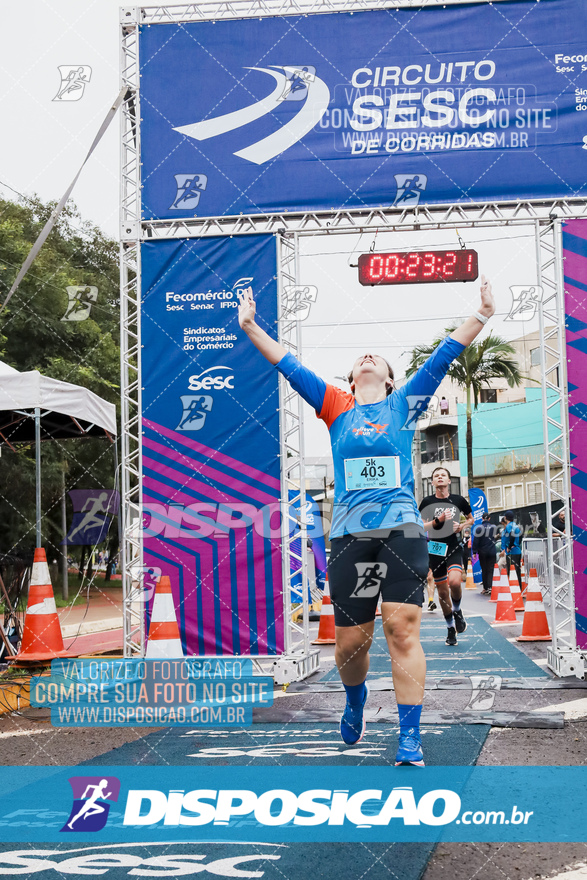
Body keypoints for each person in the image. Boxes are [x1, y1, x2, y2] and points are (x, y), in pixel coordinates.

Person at [238, 276, 495, 767]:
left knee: (402, 630)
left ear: (393, 381)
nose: (368, 356)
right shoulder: (336, 405)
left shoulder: (405, 404)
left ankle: (410, 737)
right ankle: (355, 699)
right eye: (361, 358)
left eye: (377, 357)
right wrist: (250, 326)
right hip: (350, 536)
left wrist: (482, 313)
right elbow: (287, 365)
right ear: (351, 378)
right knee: (352, 644)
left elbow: (442, 357)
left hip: (400, 530)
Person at [419, 467, 473, 646]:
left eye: (443, 475)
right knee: (442, 593)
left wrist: (462, 526)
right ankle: (451, 628)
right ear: (432, 482)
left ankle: (457, 611)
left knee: (455, 582)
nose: (440, 477)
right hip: (435, 548)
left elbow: (471, 519)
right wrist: (438, 520)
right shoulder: (427, 502)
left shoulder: (458, 500)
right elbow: (421, 527)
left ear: (449, 481)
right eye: (436, 476)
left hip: (453, 545)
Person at [472, 512, 498, 594]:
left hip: (482, 552)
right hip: (492, 552)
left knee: (484, 569)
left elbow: (476, 541)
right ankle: (490, 587)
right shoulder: (494, 527)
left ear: (482, 518)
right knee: (491, 569)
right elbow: (497, 537)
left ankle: (485, 587)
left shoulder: (479, 528)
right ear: (489, 518)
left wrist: (474, 552)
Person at [499, 510, 523, 588]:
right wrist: (517, 544)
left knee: (512, 570)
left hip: (512, 552)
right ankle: (519, 588)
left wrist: (509, 547)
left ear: (505, 518)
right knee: (517, 570)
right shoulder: (515, 525)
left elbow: (512, 536)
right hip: (517, 551)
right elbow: (520, 536)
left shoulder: (509, 526)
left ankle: (514, 588)